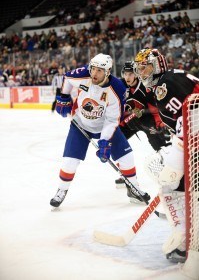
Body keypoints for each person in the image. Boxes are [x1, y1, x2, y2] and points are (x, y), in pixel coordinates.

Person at [50, 53, 150, 208]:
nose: (94, 73)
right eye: (93, 69)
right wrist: (63, 97)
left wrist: (104, 142)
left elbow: (112, 120)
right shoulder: (83, 74)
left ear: (107, 72)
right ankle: (61, 190)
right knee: (70, 161)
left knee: (127, 157)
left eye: (99, 71)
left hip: (104, 125)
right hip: (80, 124)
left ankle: (134, 188)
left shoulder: (117, 89)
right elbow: (67, 79)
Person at [134, 47, 199, 263]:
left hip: (193, 142)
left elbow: (191, 114)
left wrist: (178, 155)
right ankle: (185, 232)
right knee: (174, 182)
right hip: (191, 141)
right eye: (140, 70)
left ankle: (183, 235)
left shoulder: (166, 85)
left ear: (158, 65)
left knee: (164, 175)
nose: (142, 74)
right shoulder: (171, 78)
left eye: (146, 68)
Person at [115, 61, 171, 188]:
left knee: (159, 142)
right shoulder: (119, 86)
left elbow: (154, 108)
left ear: (136, 74)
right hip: (128, 120)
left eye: (130, 74)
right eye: (125, 74)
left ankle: (170, 168)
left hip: (146, 118)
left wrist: (159, 124)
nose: (127, 77)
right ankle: (126, 173)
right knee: (117, 142)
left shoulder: (145, 87)